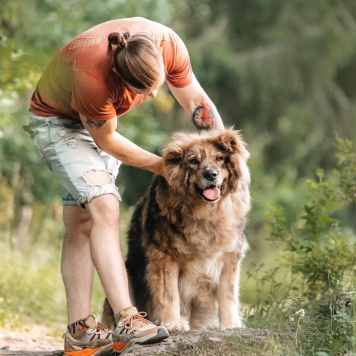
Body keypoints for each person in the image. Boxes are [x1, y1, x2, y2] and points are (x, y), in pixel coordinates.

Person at [28, 17, 224, 355]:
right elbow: (107, 140)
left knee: (81, 222)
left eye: (157, 85)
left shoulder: (168, 43)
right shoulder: (92, 78)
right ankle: (128, 318)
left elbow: (196, 102)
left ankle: (80, 333)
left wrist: (220, 154)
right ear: (119, 75)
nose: (152, 94)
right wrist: (165, 167)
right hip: (59, 122)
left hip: (97, 122)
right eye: (143, 91)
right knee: (104, 205)